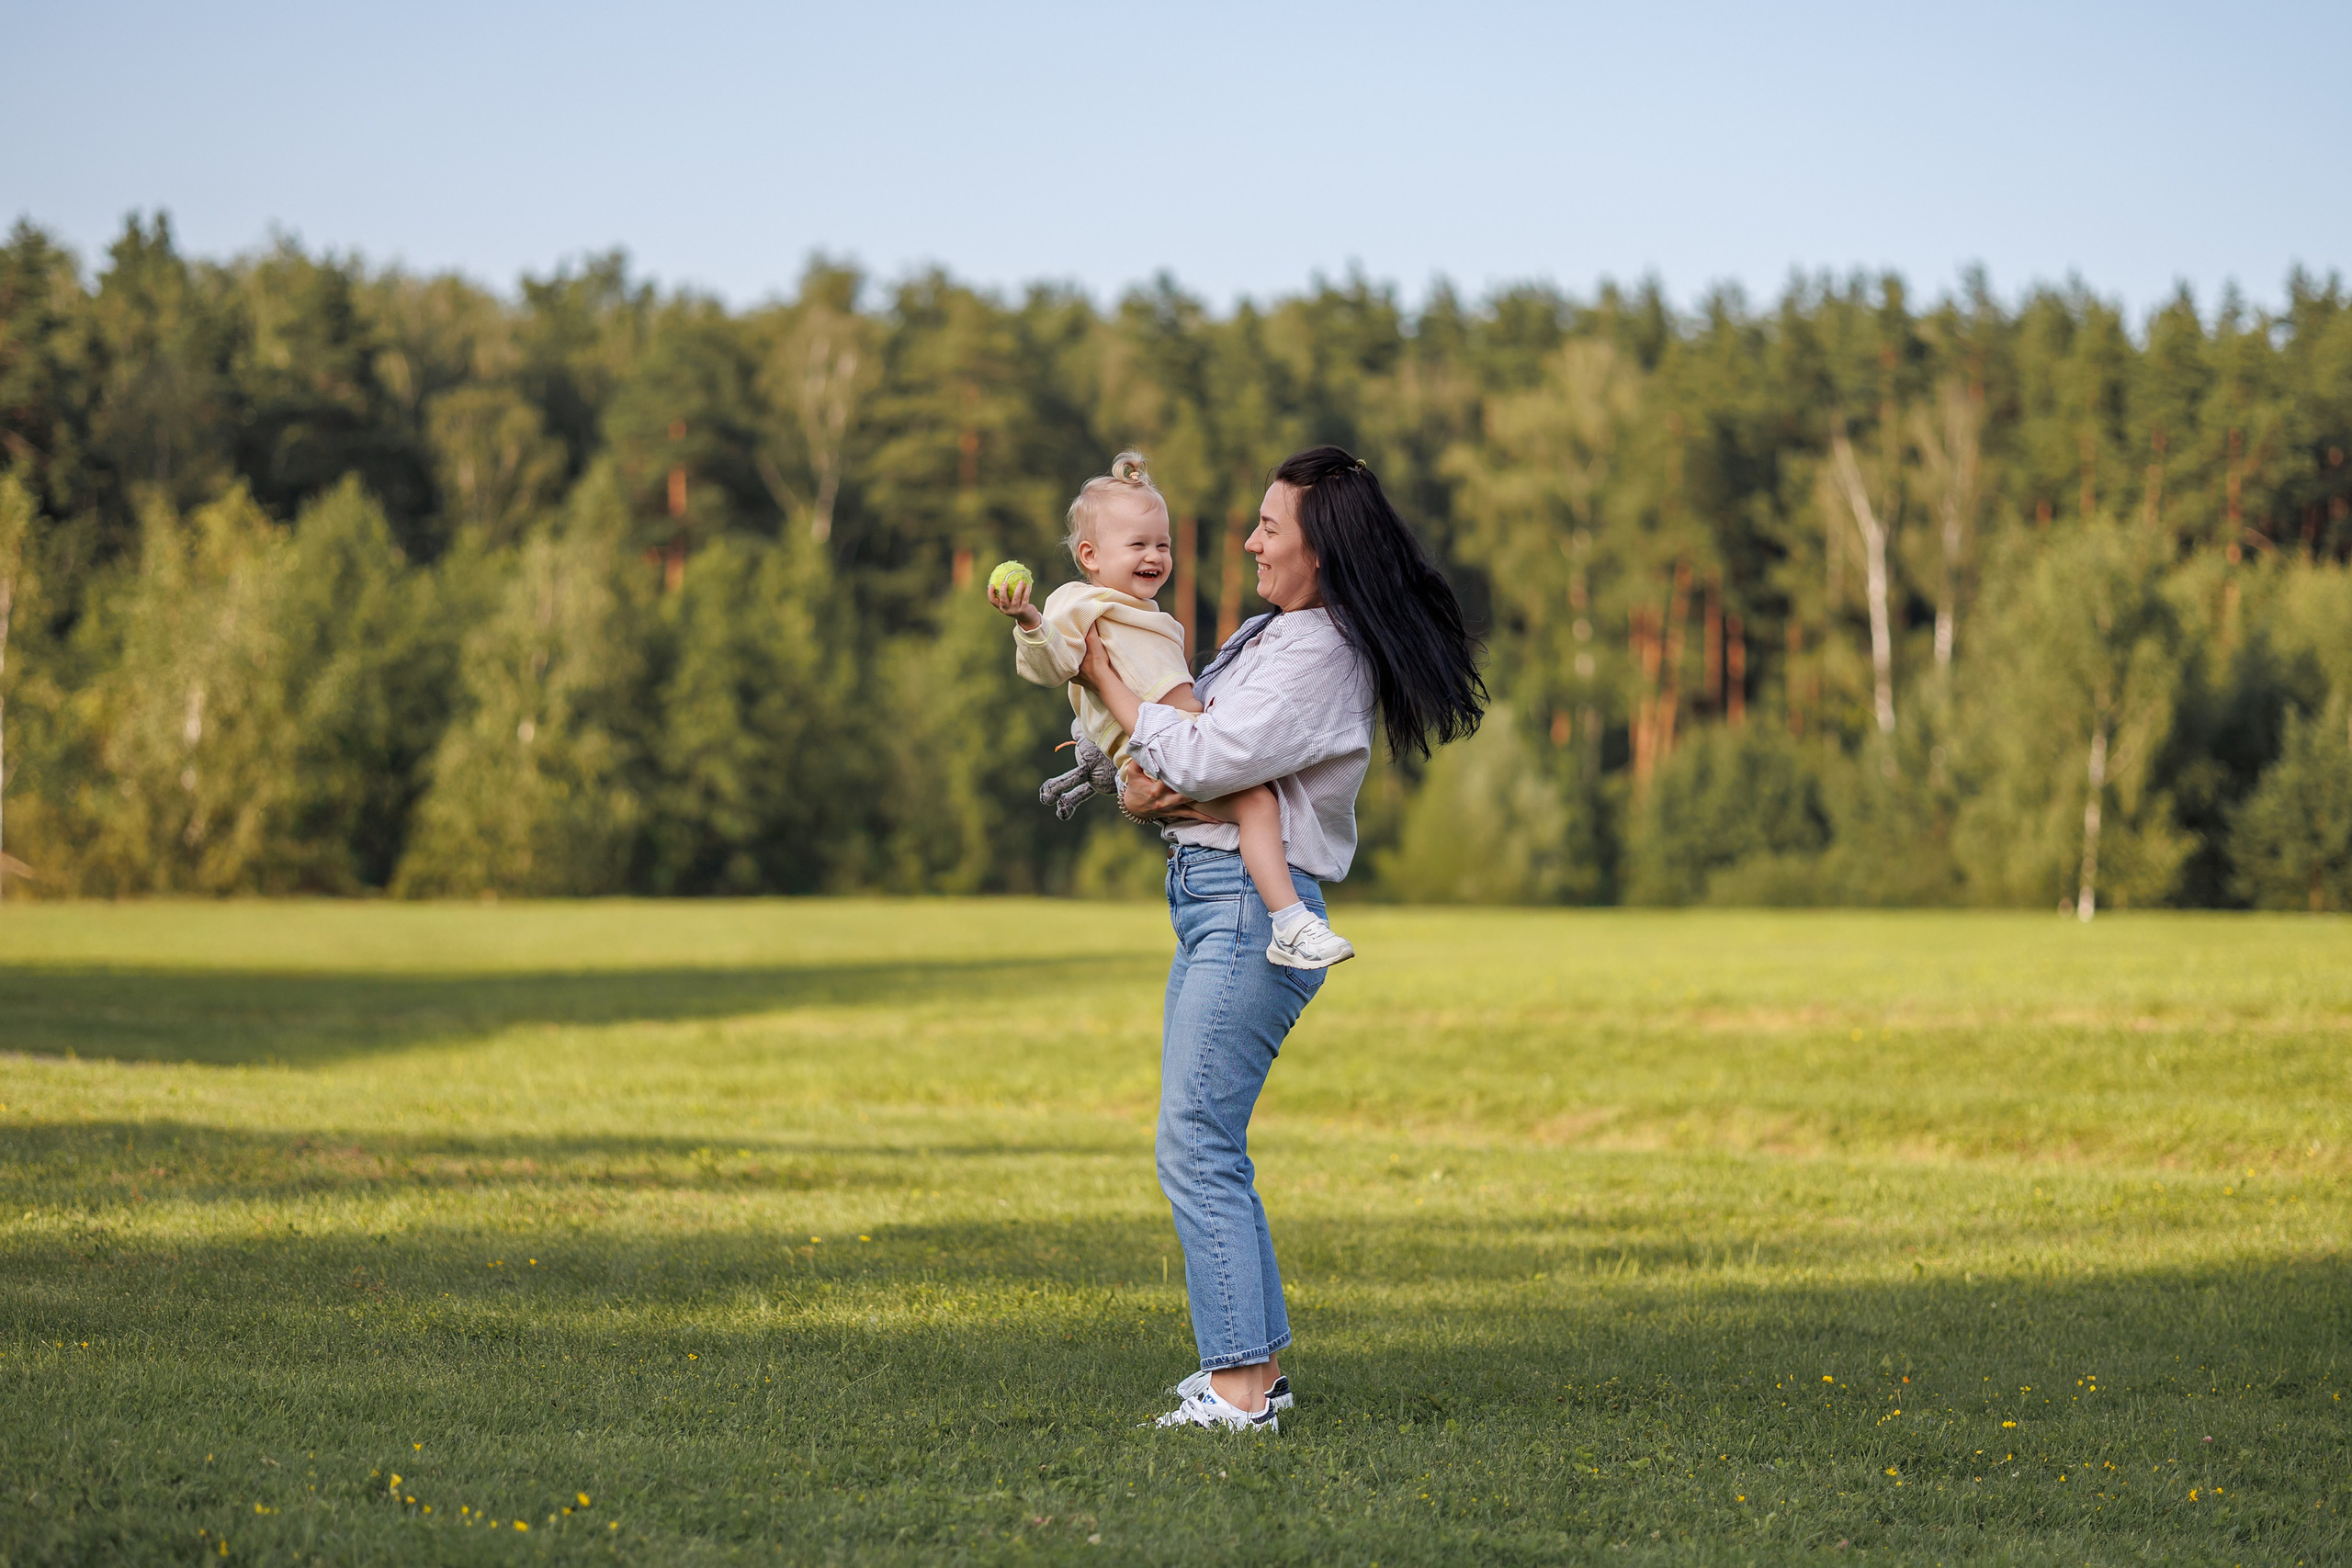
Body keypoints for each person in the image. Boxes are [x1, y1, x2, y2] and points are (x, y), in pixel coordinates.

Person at [1072, 446, 1486, 1432]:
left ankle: (1239, 1393)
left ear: (1321, 549)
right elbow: (1169, 755)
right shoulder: (1270, 633)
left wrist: (1101, 678)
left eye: (1269, 527)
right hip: (1209, 895)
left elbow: (1199, 753)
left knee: (1195, 1141)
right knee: (1204, 1138)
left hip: (1251, 910)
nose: (1251, 542)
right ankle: (1252, 1370)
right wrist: (1146, 775)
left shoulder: (1321, 653)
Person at [990, 451, 1355, 969]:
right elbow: (1052, 665)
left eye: (1162, 544)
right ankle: (1292, 925)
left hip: (1176, 755)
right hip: (1157, 749)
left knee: (1255, 806)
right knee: (1256, 806)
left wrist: (1113, 690)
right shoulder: (1078, 604)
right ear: (1090, 555)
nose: (1156, 556)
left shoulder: (1146, 611)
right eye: (1138, 544)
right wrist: (1029, 622)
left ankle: (1290, 924)